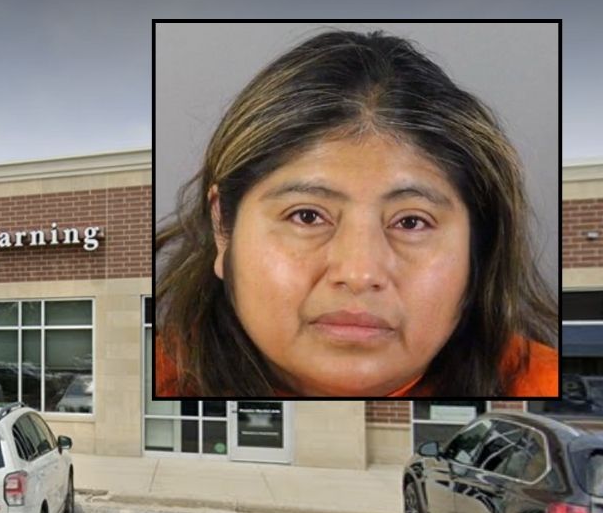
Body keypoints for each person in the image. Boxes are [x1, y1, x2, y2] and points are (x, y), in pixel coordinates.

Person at [155, 29, 557, 397]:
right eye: (307, 216)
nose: (360, 274)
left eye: (411, 222)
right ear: (223, 227)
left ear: (478, 248)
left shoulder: (543, 386)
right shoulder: (144, 382)